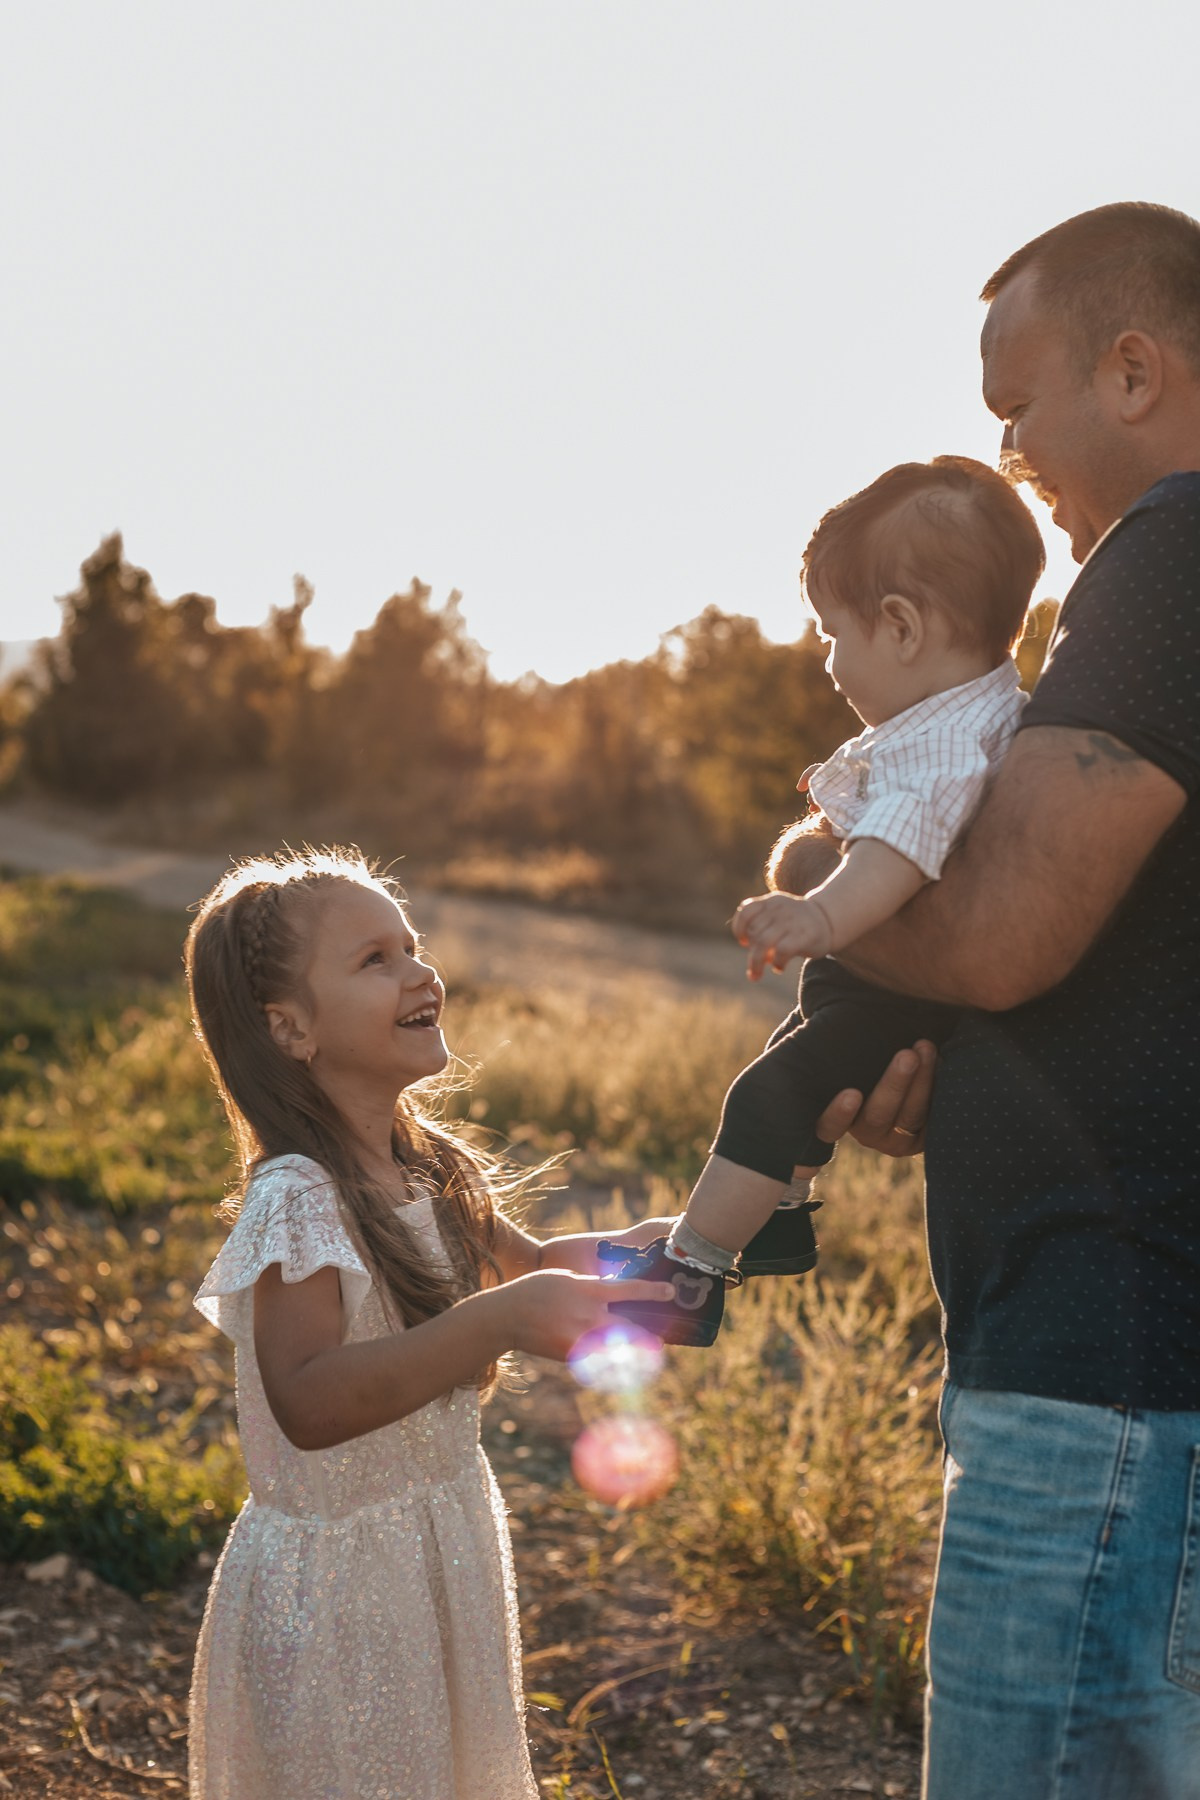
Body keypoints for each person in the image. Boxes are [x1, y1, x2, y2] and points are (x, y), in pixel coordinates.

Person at [796, 202, 1200, 1799]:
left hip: (1106, 1353)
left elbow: (1002, 936)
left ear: (1132, 366)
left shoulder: (1168, 560)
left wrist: (813, 884)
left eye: (1015, 399)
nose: (1006, 442)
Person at [184, 848, 674, 1800]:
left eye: (413, 946)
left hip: (438, 1541)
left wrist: (645, 1247)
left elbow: (532, 1270)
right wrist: (494, 1323)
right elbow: (309, 1401)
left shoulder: (428, 1164)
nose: (422, 973)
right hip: (333, 1590)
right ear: (289, 1028)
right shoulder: (296, 1197)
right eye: (375, 959)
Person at [602, 455, 1044, 1345]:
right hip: (900, 985)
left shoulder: (940, 747)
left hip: (897, 986)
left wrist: (823, 916)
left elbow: (899, 847)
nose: (827, 658)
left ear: (901, 626)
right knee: (791, 1064)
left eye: (831, 633)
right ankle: (777, 1215)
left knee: (768, 1095)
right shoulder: (986, 710)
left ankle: (692, 1272)